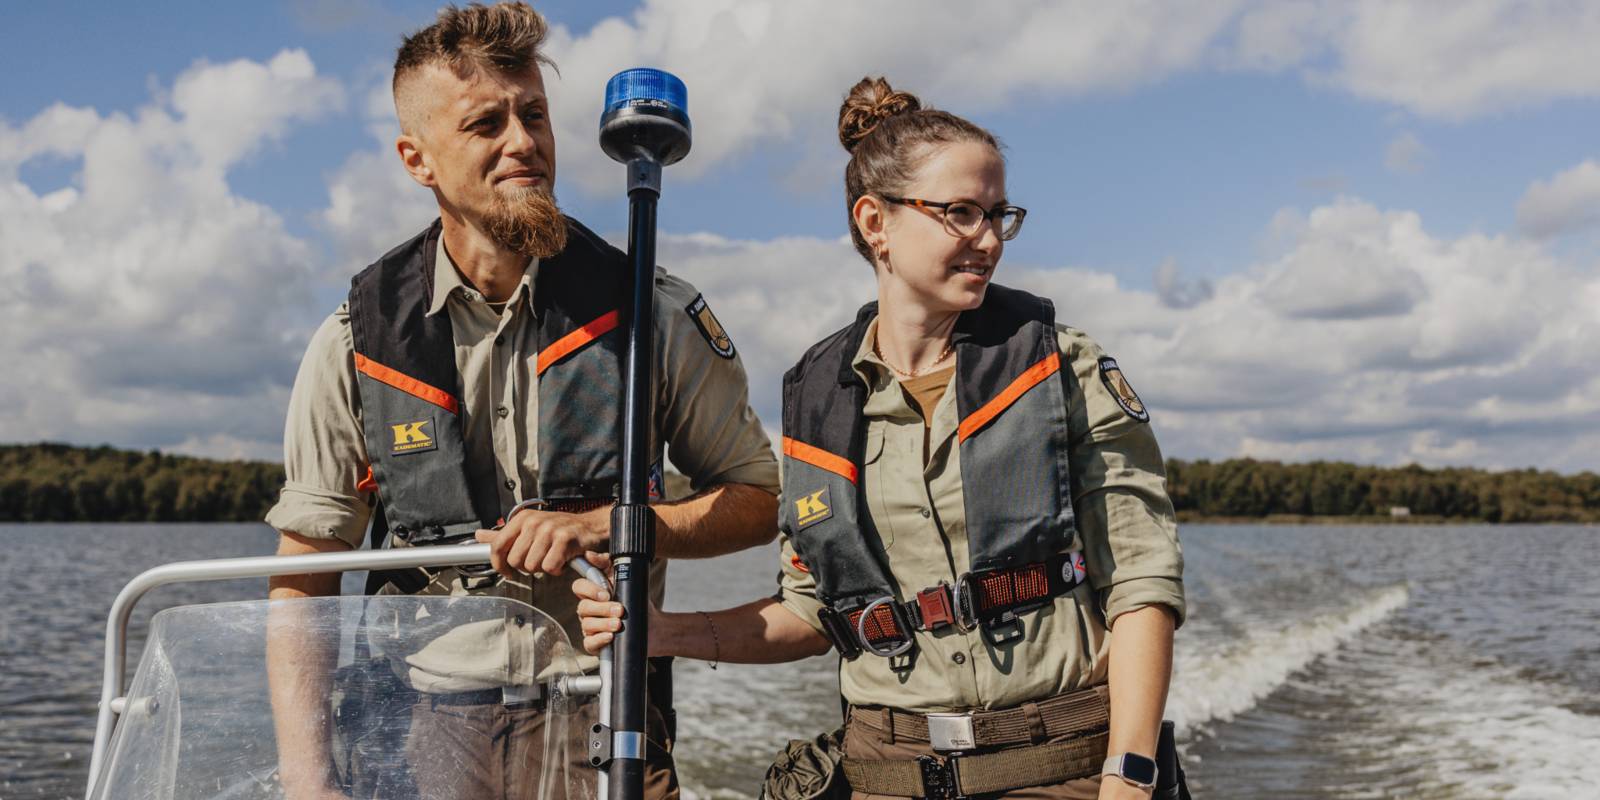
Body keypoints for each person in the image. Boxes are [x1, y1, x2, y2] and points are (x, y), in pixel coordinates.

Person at [575, 77, 1185, 800]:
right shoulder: (816, 400)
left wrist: (1131, 771)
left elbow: (1142, 581)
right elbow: (809, 612)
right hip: (883, 773)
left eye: (998, 215)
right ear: (876, 223)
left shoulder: (1062, 367)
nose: (988, 239)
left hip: (1065, 767)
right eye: (960, 213)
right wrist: (661, 631)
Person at [262, 3, 780, 799]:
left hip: (598, 707)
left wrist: (606, 525)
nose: (524, 143)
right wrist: (308, 780)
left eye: (533, 114)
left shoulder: (651, 314)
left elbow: (757, 501)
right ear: (417, 158)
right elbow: (305, 577)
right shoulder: (354, 341)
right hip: (417, 722)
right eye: (486, 124)